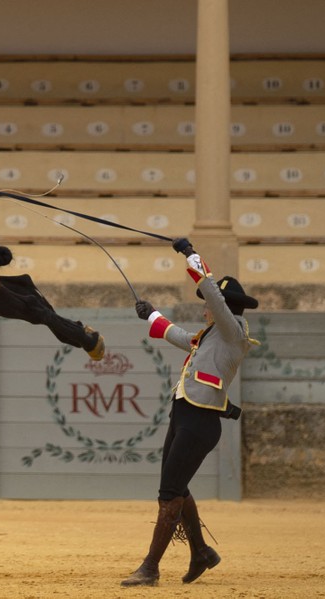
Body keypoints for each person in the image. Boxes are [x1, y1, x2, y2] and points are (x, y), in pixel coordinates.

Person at [121, 238, 259, 587]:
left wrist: (191, 255)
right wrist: (151, 315)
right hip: (186, 415)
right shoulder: (214, 334)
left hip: (199, 421)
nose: (204, 310)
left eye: (210, 306)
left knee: (169, 493)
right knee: (175, 487)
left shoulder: (233, 330)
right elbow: (182, 337)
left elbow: (211, 294)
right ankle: (200, 552)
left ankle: (151, 567)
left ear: (223, 306)